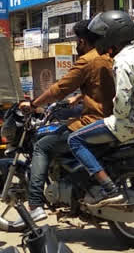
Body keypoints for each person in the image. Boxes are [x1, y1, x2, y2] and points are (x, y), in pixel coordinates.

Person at [15, 19, 116, 224]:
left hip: (94, 121)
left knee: (42, 145)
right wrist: (80, 97)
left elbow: (60, 88)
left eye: (77, 42)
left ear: (83, 41)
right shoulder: (109, 57)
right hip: (113, 118)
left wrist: (34, 104)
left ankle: (34, 205)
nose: (76, 46)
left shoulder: (87, 59)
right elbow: (104, 87)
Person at [67, 10, 134, 206]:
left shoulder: (122, 61)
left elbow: (122, 103)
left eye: (101, 36)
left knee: (75, 139)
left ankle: (109, 189)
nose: (98, 41)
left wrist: (113, 112)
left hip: (131, 124)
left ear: (112, 36)